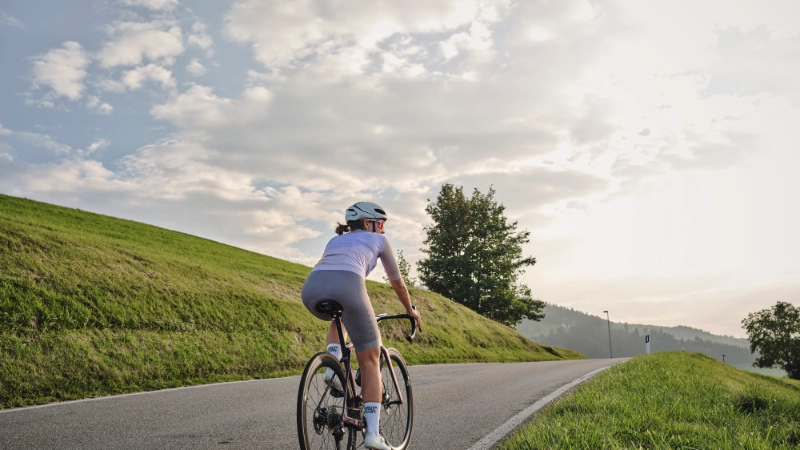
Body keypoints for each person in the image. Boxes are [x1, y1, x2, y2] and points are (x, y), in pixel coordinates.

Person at [301, 202, 421, 450]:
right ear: (368, 224)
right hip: (348, 285)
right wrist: (411, 310)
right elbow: (397, 283)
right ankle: (373, 434)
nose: (383, 230)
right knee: (370, 359)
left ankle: (332, 366)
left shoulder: (335, 241)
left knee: (340, 314)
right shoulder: (380, 241)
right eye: (381, 224)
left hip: (311, 288)